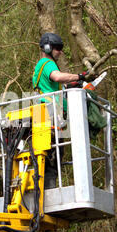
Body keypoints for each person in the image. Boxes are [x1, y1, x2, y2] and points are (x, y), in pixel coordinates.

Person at [32, 32, 90, 189]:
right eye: (58, 48)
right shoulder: (47, 63)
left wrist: (71, 85)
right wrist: (80, 76)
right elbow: (57, 77)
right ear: (48, 48)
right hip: (48, 114)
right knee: (52, 155)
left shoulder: (42, 66)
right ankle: (48, 192)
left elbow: (56, 85)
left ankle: (46, 189)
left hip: (47, 114)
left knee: (50, 155)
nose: (60, 51)